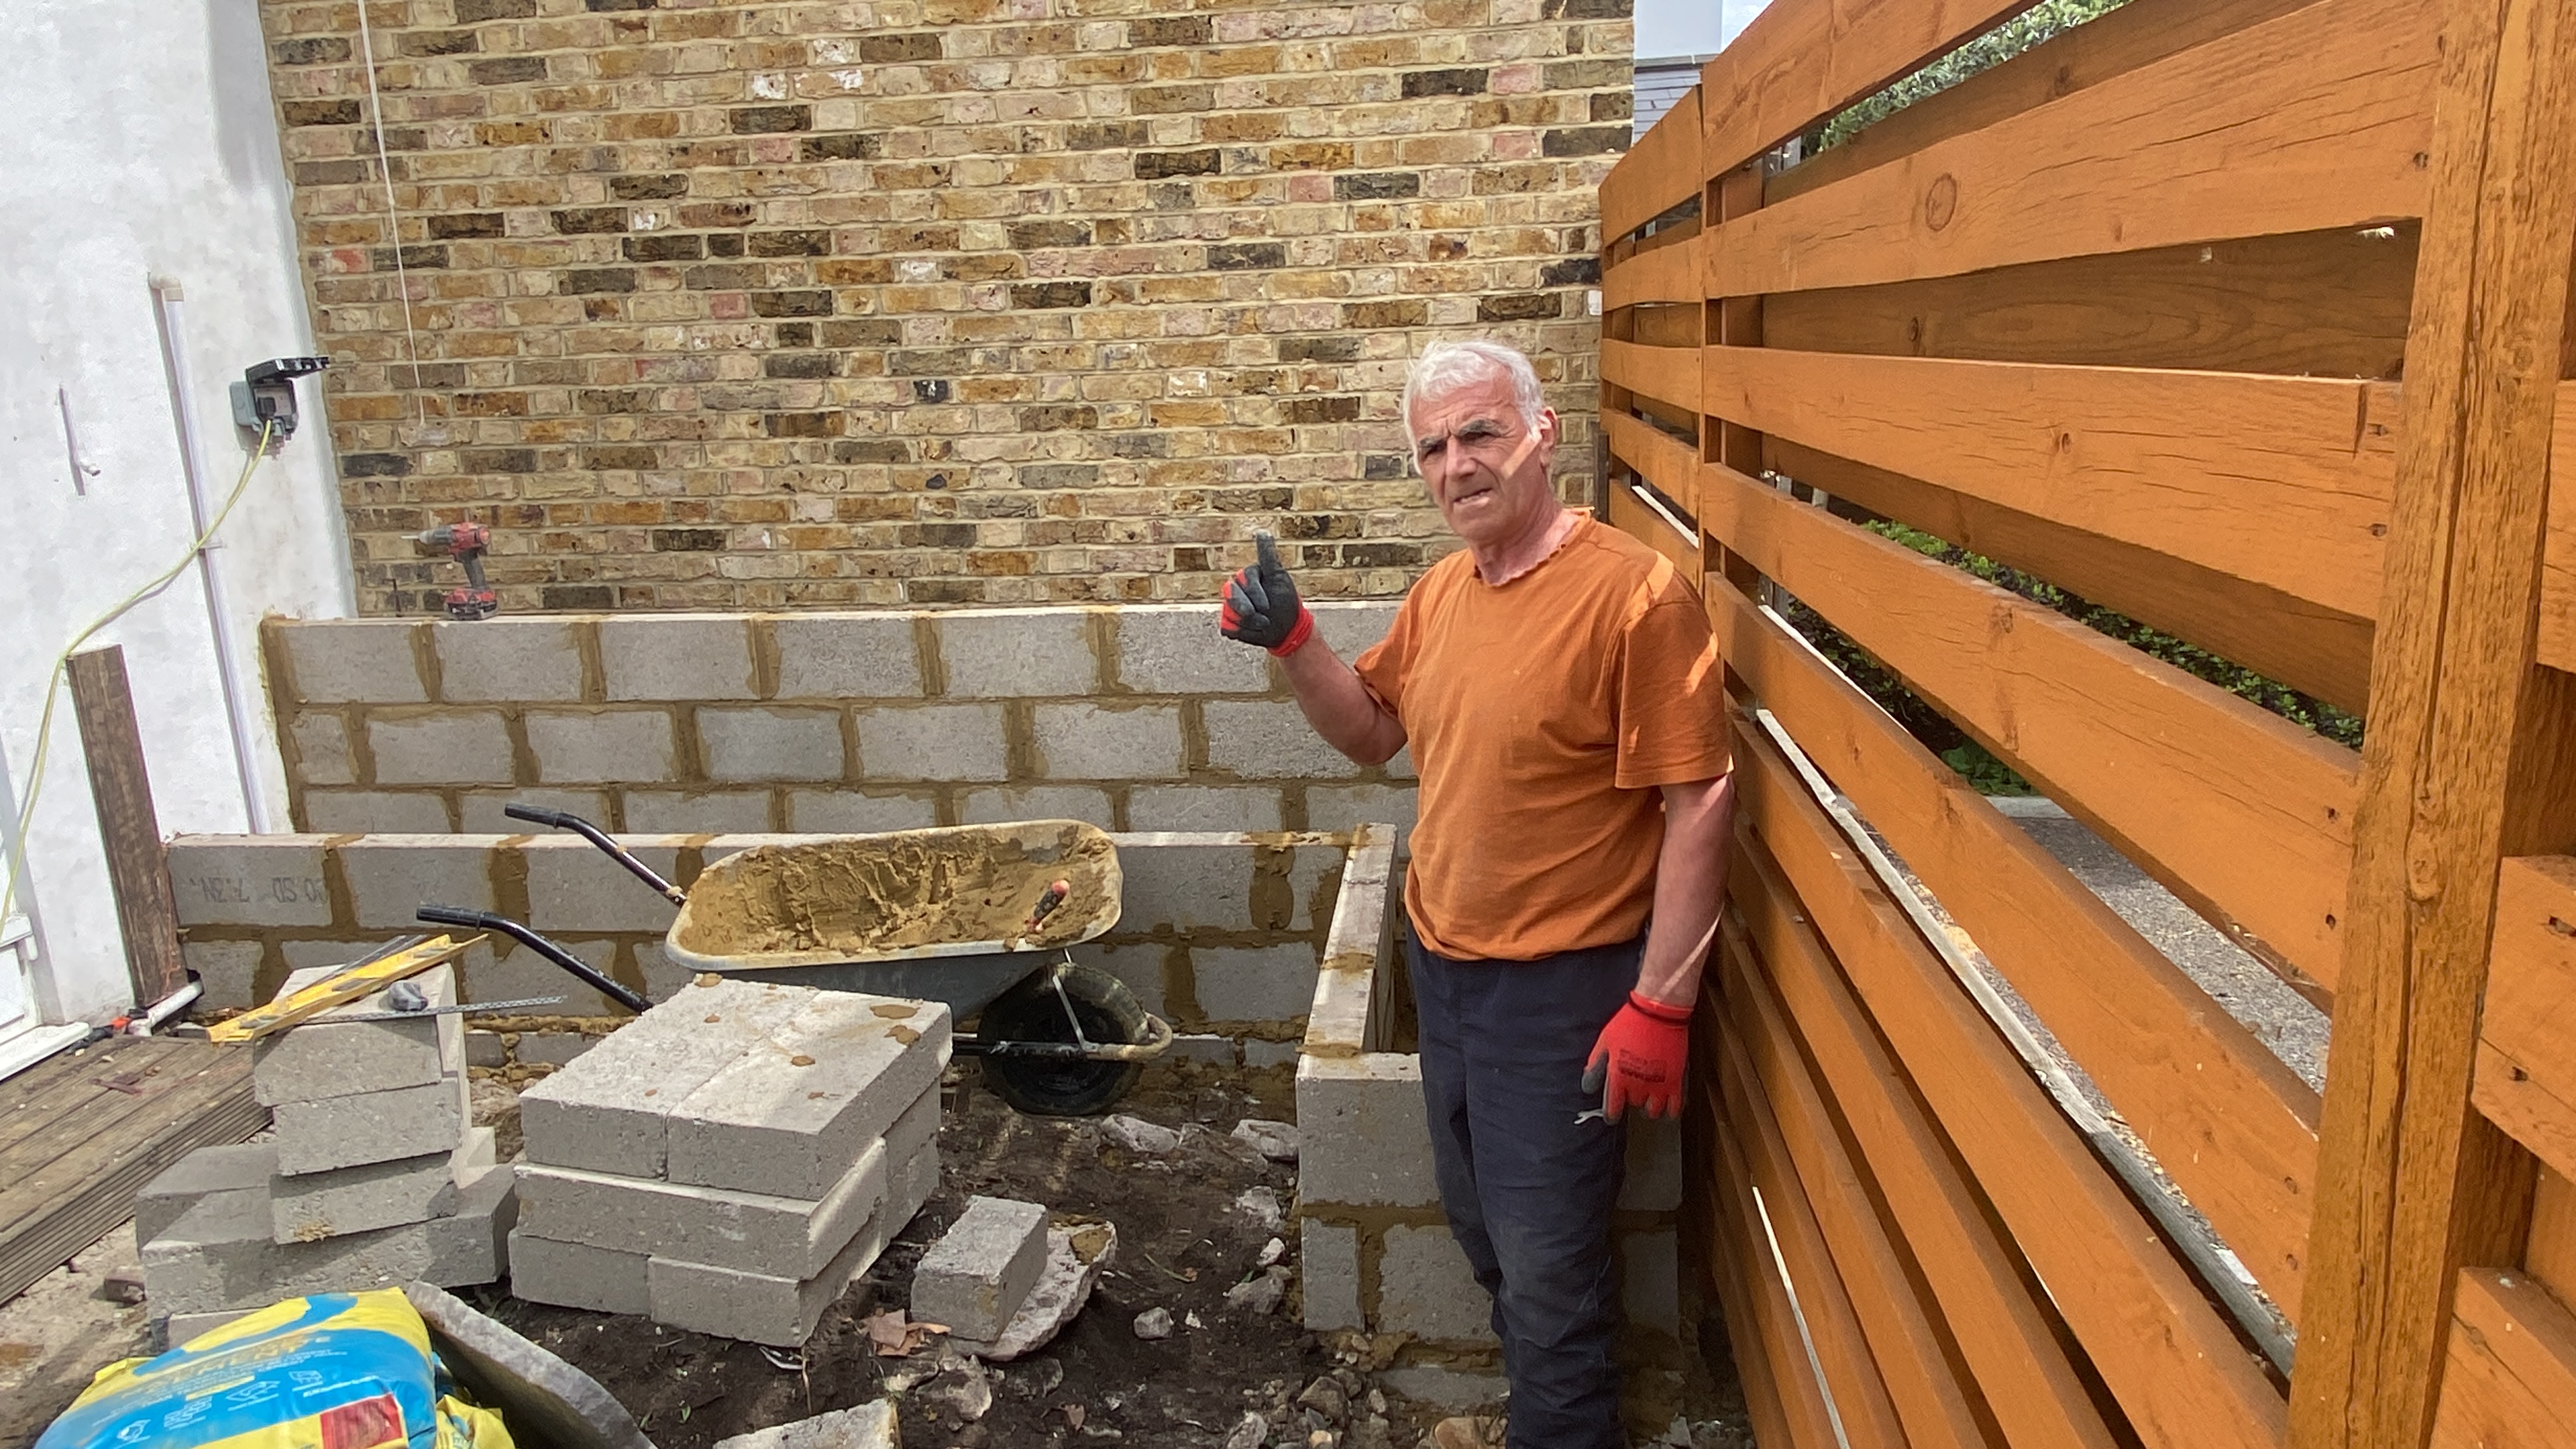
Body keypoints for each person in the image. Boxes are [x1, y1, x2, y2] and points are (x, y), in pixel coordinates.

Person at [1218, 339, 1733, 1449]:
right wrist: (1298, 643)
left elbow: (1702, 800)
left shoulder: (1634, 598)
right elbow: (1370, 732)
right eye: (1434, 448)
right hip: (1444, 975)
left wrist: (1663, 1004)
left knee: (1550, 1276)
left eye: (1480, 433)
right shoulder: (1445, 592)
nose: (1458, 464)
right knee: (1489, 1238)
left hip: (1566, 996)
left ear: (1543, 431)